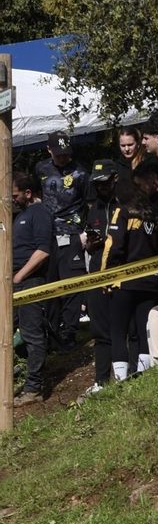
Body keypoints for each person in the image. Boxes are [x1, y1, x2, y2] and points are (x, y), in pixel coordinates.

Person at [101, 163, 158, 381]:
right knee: (144, 330)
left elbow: (113, 246)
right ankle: (144, 376)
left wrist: (105, 276)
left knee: (118, 331)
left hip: (124, 280)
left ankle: (121, 380)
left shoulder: (123, 212)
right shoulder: (157, 216)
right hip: (151, 281)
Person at [35, 132, 91, 350]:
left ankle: (69, 333)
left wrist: (86, 232)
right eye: (58, 154)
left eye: (66, 153)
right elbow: (36, 195)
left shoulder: (81, 173)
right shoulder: (41, 168)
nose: (63, 157)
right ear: (48, 150)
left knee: (72, 285)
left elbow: (91, 203)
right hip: (47, 236)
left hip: (73, 234)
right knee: (50, 286)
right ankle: (52, 333)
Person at [12, 174, 56, 405]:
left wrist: (20, 275)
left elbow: (43, 250)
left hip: (30, 282)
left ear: (28, 193)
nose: (12, 200)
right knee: (9, 333)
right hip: (13, 283)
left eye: (15, 195)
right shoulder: (20, 215)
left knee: (31, 333)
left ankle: (33, 389)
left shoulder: (39, 213)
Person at [80, 161, 121, 394]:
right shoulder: (94, 207)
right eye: (97, 184)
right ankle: (101, 381)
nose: (101, 187)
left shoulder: (124, 203)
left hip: (122, 272)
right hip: (96, 273)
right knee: (100, 331)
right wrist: (91, 244)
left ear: (115, 178)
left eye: (104, 182)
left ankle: (130, 374)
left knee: (126, 327)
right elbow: (88, 246)